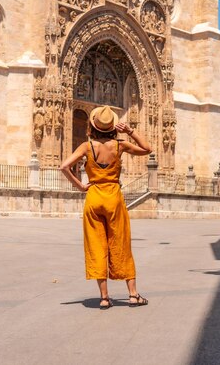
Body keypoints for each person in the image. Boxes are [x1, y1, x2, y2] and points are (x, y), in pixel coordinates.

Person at [60, 105, 151, 310]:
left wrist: (81, 186)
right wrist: (130, 131)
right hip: (114, 198)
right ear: (113, 127)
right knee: (121, 244)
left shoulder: (86, 146)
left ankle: (104, 297)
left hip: (93, 198)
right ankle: (133, 295)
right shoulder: (120, 145)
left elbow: (64, 166)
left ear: (92, 126)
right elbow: (147, 149)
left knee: (96, 245)